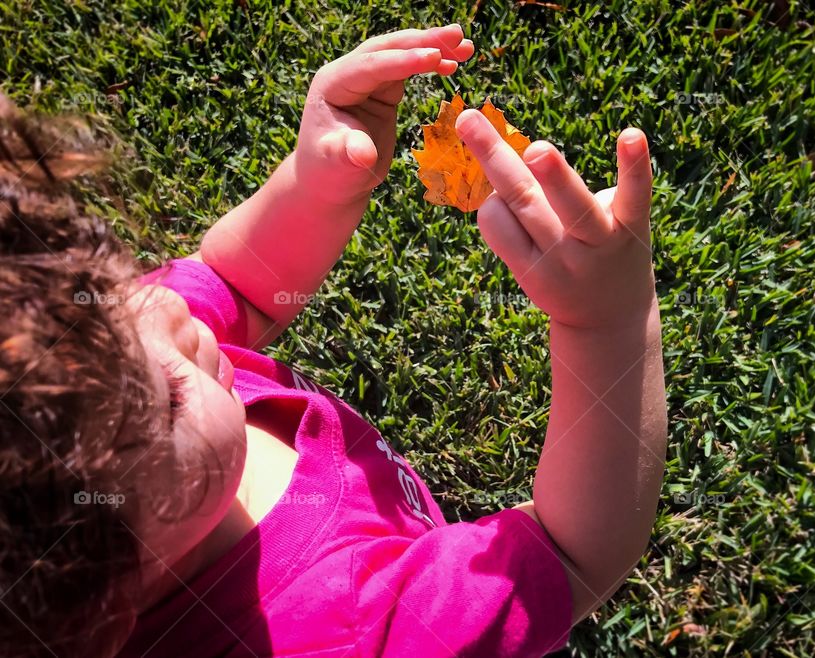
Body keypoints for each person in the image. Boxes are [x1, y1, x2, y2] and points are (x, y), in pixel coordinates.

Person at [0, 22, 666, 658]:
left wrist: (317, 185)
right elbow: (570, 553)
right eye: (170, 400)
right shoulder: (359, 633)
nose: (177, 320)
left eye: (119, 290)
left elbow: (237, 286)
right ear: (98, 602)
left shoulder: (89, 360)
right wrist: (606, 323)